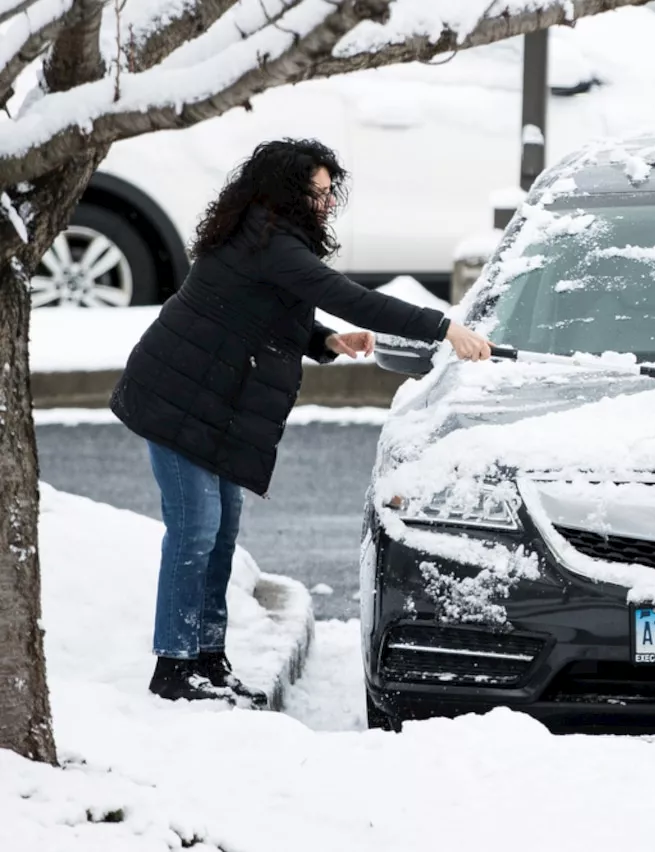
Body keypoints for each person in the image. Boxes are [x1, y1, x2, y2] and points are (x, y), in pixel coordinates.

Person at [109, 138, 492, 707]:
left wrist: (323, 339)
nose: (325, 201)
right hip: (175, 398)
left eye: (328, 190)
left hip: (213, 404)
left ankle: (207, 657)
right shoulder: (269, 241)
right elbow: (349, 296)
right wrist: (441, 327)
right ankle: (173, 666)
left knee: (220, 529)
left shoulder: (264, 236)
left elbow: (260, 306)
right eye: (315, 192)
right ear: (285, 193)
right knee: (195, 530)